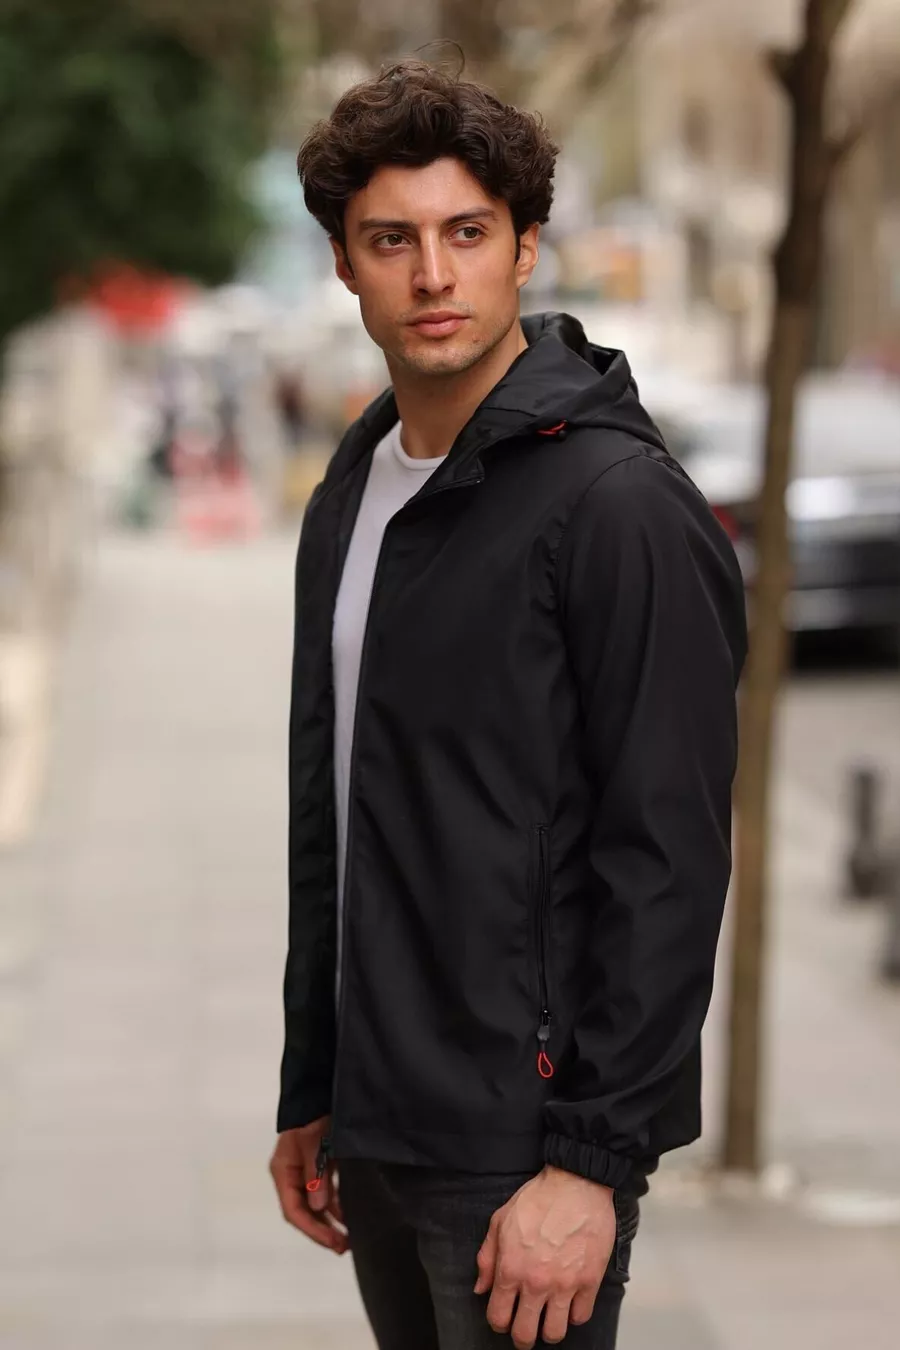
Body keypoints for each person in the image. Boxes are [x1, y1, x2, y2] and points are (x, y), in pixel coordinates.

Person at [270, 58, 748, 1350]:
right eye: (393, 240)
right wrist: (315, 1077)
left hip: (524, 1151)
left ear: (526, 248)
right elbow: (340, 811)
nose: (433, 275)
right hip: (378, 1122)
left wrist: (594, 1162)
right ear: (345, 265)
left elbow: (669, 856)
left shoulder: (619, 508)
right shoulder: (357, 486)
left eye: (468, 234)